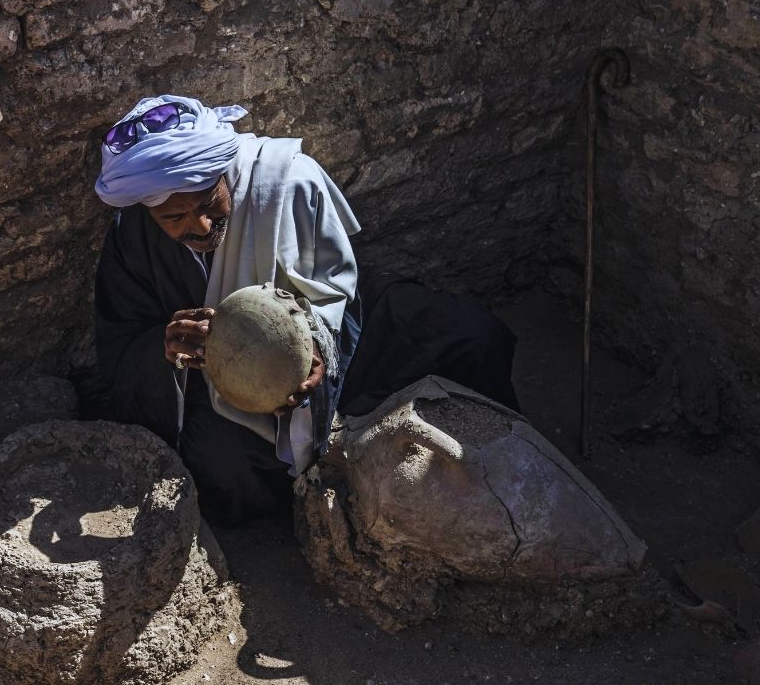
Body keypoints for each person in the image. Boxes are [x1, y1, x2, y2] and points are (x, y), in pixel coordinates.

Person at [93, 96, 519, 527]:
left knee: (472, 338)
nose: (199, 226)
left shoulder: (285, 182)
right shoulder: (135, 237)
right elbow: (121, 344)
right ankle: (318, 513)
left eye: (208, 203)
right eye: (174, 218)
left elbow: (332, 285)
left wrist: (316, 343)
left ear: (225, 173)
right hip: (230, 385)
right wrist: (173, 348)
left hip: (341, 324)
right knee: (220, 465)